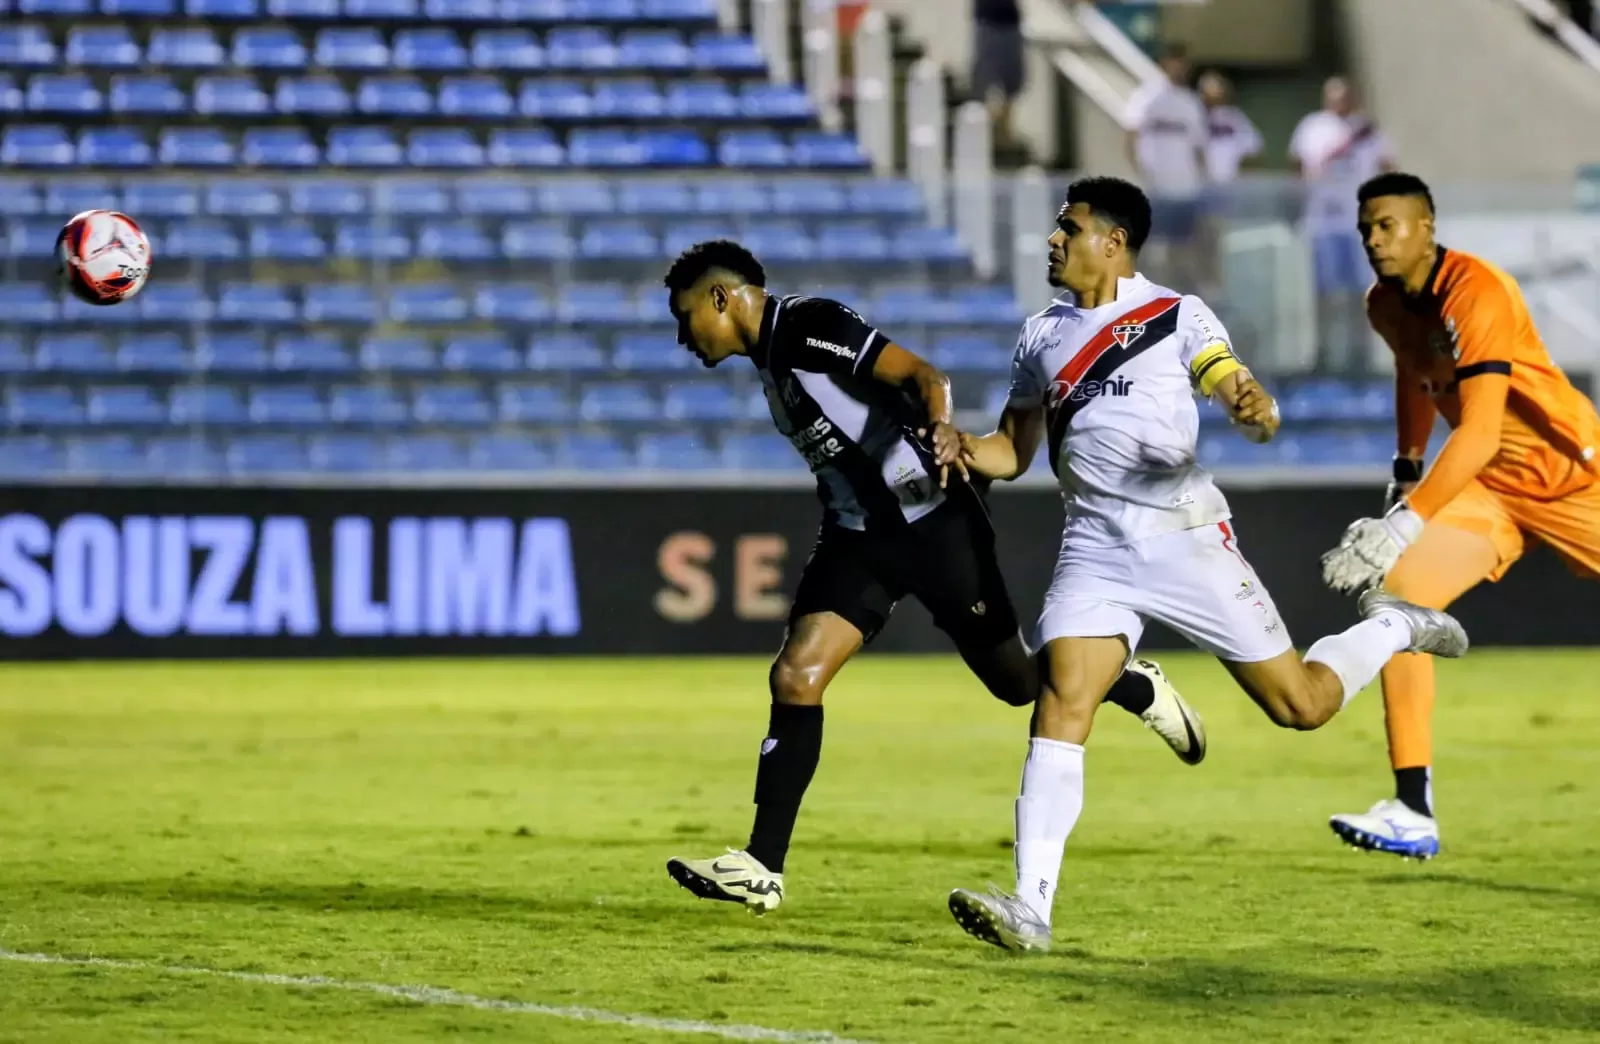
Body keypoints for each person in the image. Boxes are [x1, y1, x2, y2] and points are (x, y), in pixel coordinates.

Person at [940, 179, 1470, 953]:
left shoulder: (1175, 315)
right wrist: (964, 448)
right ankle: (1031, 909)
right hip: (1093, 546)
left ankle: (1392, 627)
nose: (1053, 241)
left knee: (1301, 706)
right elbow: (1013, 452)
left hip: (1185, 540)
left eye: (1069, 228)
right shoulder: (1039, 336)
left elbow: (1234, 385)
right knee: (1061, 699)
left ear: (1113, 242)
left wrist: (1254, 407)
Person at [658, 240, 1208, 915]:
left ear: (720, 297)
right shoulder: (772, 361)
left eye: (686, 318)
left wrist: (944, 431)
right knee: (795, 675)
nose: (684, 338)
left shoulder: (810, 327)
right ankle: (762, 866)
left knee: (1015, 683)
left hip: (932, 523)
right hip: (858, 539)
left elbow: (924, 375)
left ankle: (1127, 681)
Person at [1320, 173, 1600, 859]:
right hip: (1491, 491)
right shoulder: (1384, 304)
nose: (1374, 240)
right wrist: (1408, 463)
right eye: (1365, 229)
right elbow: (1414, 375)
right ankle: (1412, 808)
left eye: (1388, 226)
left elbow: (1477, 430)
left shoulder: (1477, 289)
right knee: (1400, 602)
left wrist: (1403, 524)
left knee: (1399, 567)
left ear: (1427, 227)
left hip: (1571, 475)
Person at [1289, 76, 1395, 375]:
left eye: (1343, 96)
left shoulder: (1368, 131)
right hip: (1323, 222)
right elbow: (1296, 167)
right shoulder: (1312, 127)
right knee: (1324, 292)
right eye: (1332, 97)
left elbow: (1389, 167)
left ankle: (1360, 356)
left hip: (1359, 225)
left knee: (1362, 292)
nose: (1338, 102)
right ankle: (1322, 354)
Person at [1124, 44, 1208, 289]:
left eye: (1183, 62)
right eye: (1174, 61)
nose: (1179, 67)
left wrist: (1201, 181)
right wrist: (1139, 173)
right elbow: (1131, 134)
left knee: (1182, 246)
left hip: (1184, 189)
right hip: (1154, 189)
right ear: (1164, 63)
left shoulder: (1190, 102)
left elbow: (1199, 148)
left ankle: (1175, 295)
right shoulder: (1146, 97)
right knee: (1150, 247)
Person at [973, 0, 1025, 155]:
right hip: (988, 21)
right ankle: (988, 130)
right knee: (985, 81)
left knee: (1012, 82)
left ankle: (1003, 130)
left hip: (1009, 21)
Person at [1198, 71, 1262, 186]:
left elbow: (1252, 149)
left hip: (1231, 184)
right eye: (1208, 90)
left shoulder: (1235, 117)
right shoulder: (1195, 116)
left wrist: (1244, 181)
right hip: (1202, 184)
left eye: (1216, 88)